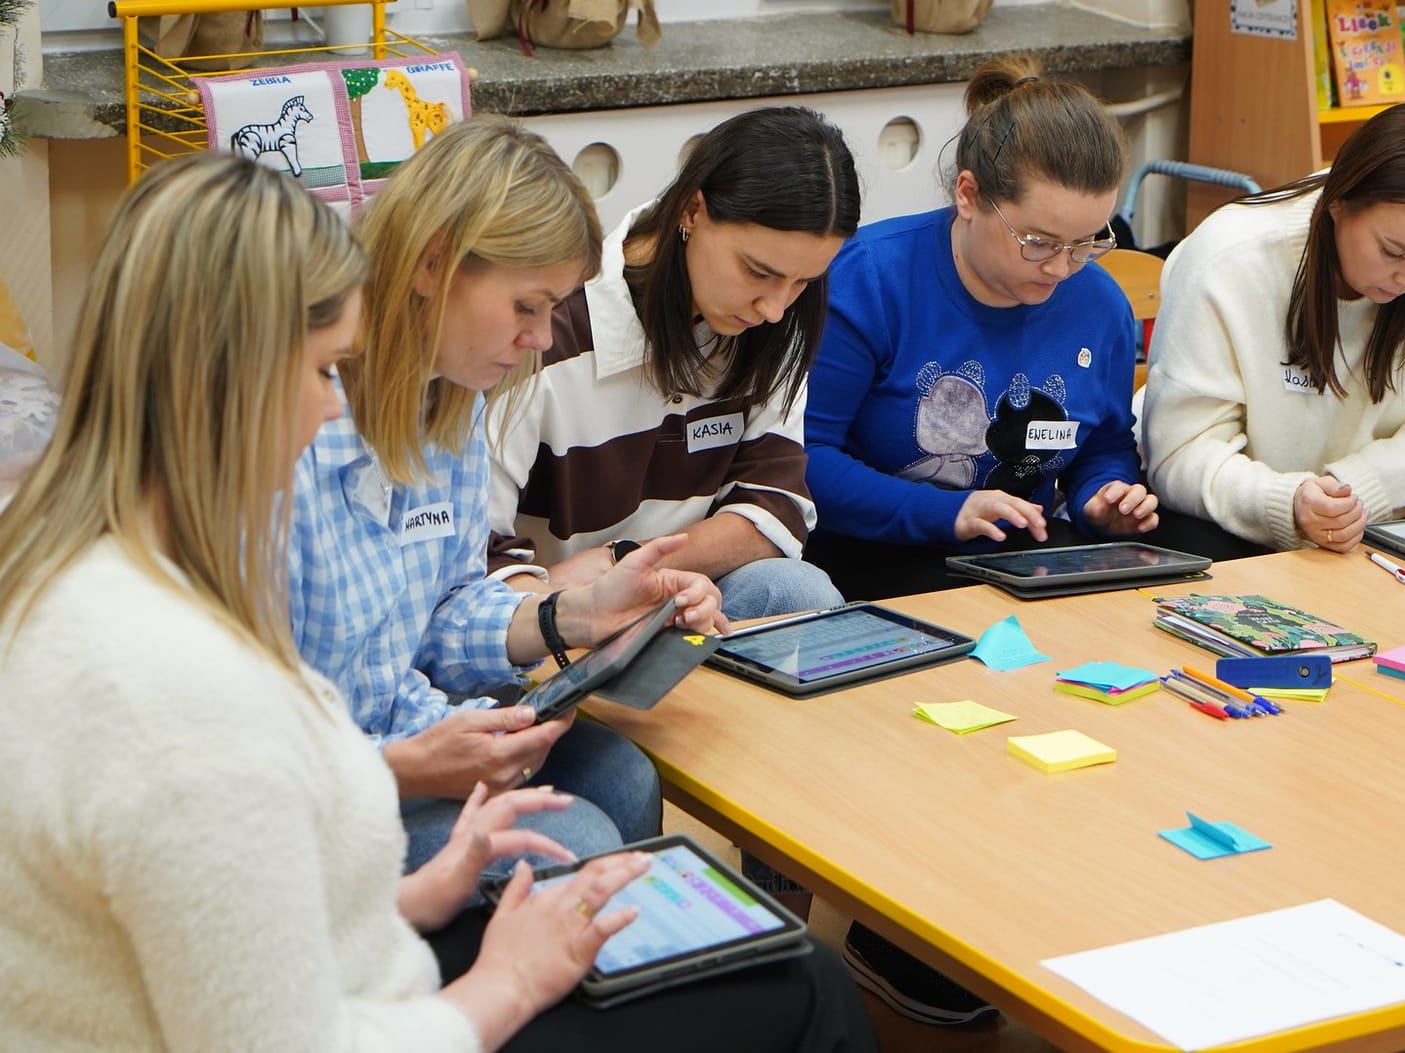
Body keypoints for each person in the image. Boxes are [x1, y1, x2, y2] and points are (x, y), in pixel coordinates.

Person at [0, 153, 879, 1052]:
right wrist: (506, 978)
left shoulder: (115, 571)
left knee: (630, 805)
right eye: (321, 371)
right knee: (797, 979)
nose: (327, 408)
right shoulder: (184, 669)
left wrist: (566, 618)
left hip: (354, 917)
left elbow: (244, 870)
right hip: (364, 973)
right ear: (230, 379)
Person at [289, 116, 726, 877]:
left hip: (406, 735)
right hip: (311, 791)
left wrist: (575, 611)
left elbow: (440, 612)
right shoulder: (293, 429)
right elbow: (240, 734)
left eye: (552, 308)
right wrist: (409, 764)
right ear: (432, 264)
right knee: (578, 842)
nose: (538, 337)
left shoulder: (452, 403)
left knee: (621, 776)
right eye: (526, 306)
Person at [804, 56, 1174, 605]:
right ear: (969, 195)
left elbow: (1103, 443)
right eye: (1039, 242)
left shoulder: (1099, 305)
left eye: (1087, 242)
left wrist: (1103, 500)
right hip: (868, 561)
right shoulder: (870, 281)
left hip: (1027, 562)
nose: (1061, 268)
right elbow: (803, 459)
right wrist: (948, 513)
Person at [487, 105, 857, 621]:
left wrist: (627, 565)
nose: (775, 308)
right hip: (543, 614)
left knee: (798, 590)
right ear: (691, 209)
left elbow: (775, 510)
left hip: (678, 605)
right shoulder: (549, 326)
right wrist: (581, 603)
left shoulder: (774, 323)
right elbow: (477, 560)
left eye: (802, 282)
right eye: (756, 271)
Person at [1142, 98, 1405, 553]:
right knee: (1179, 534)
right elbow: (1182, 453)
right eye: (1393, 252)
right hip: (1255, 510)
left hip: (1386, 502)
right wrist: (1287, 501)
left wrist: (1361, 488)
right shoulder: (1230, 259)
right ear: (1339, 204)